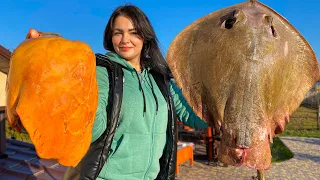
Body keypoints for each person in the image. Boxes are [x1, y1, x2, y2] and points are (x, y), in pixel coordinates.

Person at [63, 4, 208, 180]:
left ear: (145, 37)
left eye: (133, 32)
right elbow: (94, 130)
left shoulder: (160, 78)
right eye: (118, 33)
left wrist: (227, 117)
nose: (125, 39)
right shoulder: (102, 71)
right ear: (110, 37)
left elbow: (191, 115)